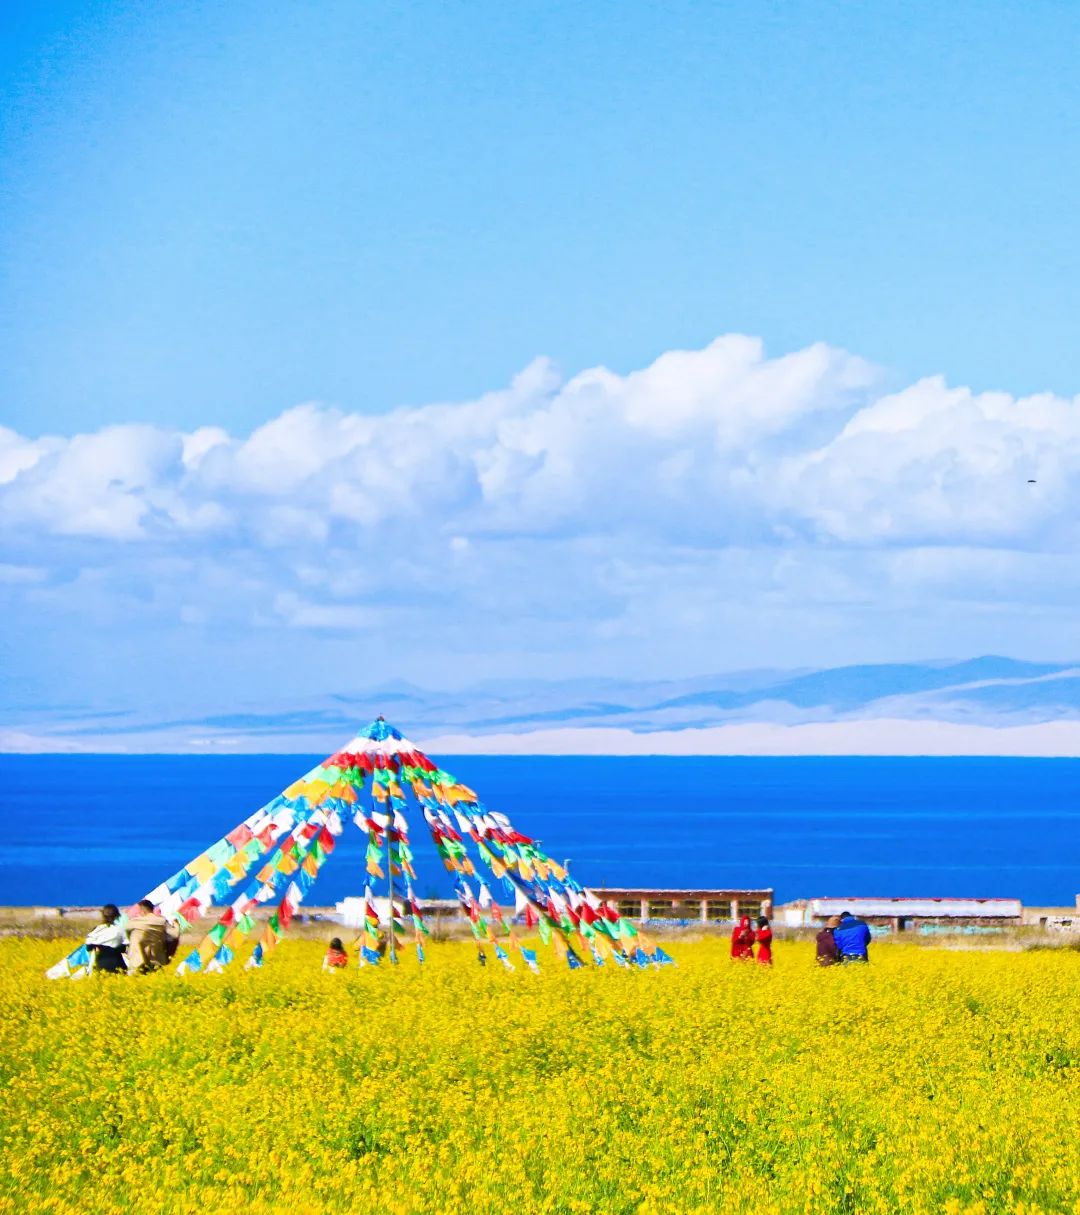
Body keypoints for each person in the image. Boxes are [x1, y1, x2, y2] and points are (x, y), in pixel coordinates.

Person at [126, 899, 177, 973]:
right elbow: (174, 935)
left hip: (137, 960)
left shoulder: (133, 922)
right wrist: (176, 924)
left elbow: (128, 936)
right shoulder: (161, 921)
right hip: (156, 960)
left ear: (142, 911)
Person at [84, 904, 127, 974]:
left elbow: (88, 947)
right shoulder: (120, 930)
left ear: (103, 915)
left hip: (100, 963)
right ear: (117, 916)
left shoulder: (96, 930)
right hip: (117, 963)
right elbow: (124, 948)